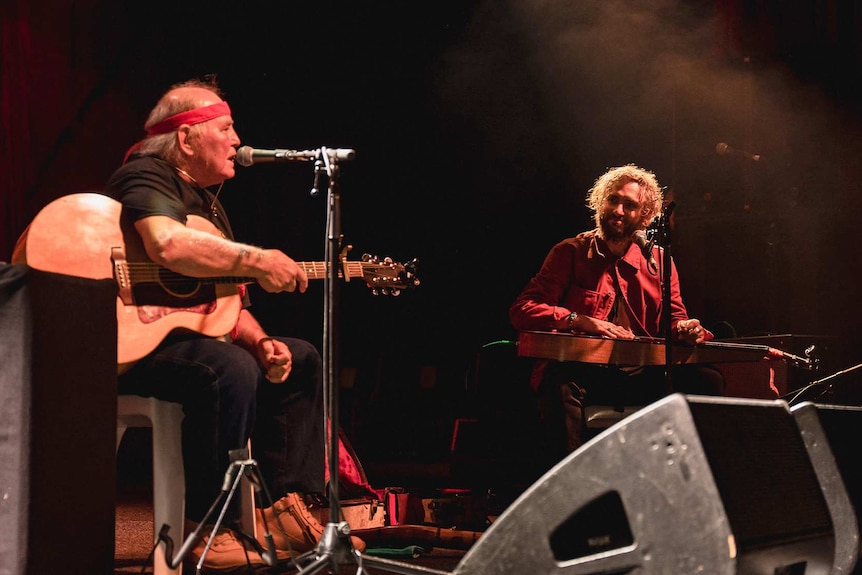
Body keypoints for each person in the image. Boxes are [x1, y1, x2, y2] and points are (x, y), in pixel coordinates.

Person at [105, 78, 364, 571]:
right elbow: (166, 245)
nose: (238, 141)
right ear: (185, 138)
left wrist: (262, 340)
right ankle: (206, 528)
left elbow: (224, 303)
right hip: (128, 345)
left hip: (184, 344)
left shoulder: (207, 205)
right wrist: (259, 257)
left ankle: (287, 511)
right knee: (227, 369)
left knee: (299, 356)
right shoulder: (147, 174)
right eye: (225, 127)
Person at [509, 164, 725, 463]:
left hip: (639, 373)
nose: (618, 210)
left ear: (646, 217)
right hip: (582, 371)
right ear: (600, 202)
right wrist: (582, 321)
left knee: (707, 378)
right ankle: (572, 494)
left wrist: (687, 328)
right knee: (557, 384)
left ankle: (693, 485)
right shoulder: (570, 252)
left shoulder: (660, 262)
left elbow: (674, 321)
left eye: (630, 205)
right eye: (613, 200)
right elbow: (523, 310)